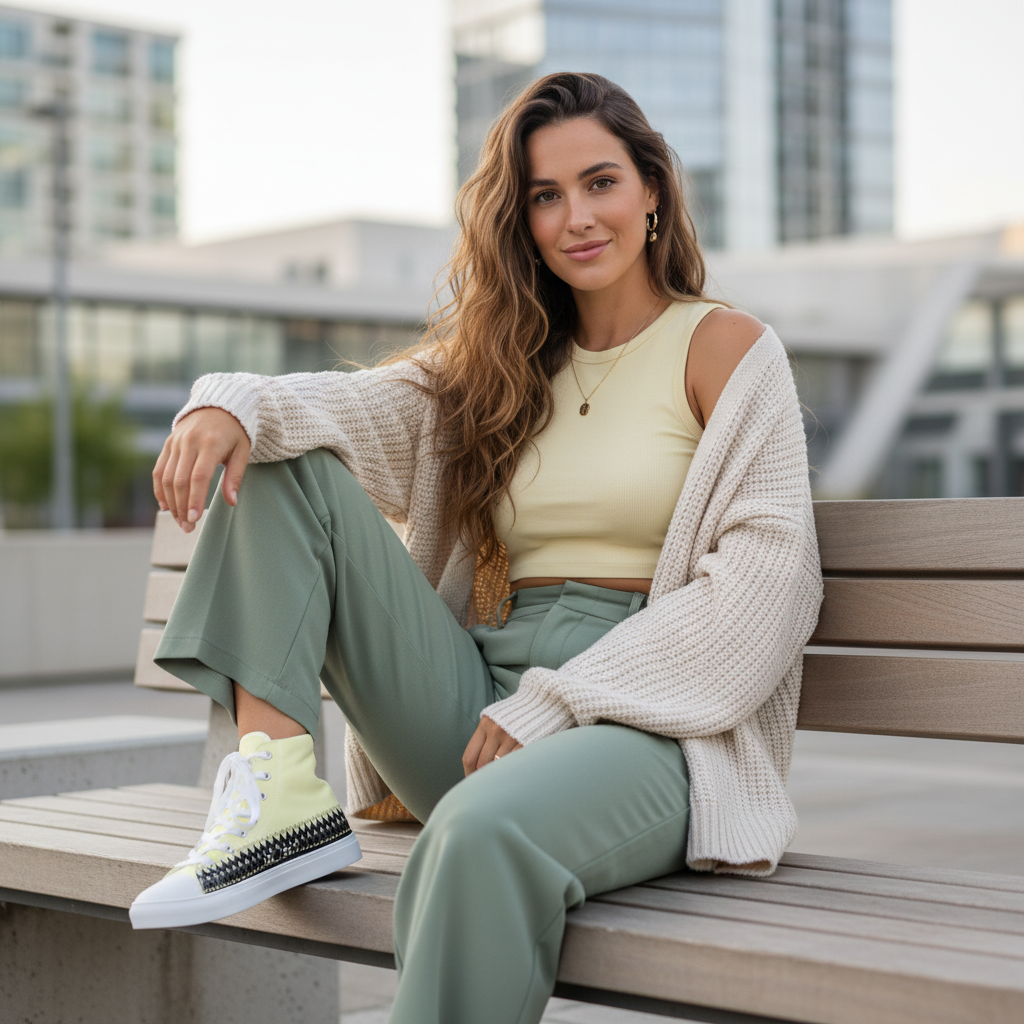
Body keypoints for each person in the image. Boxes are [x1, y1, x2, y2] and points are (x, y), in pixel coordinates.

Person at [128, 72, 822, 1024]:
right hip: (475, 698)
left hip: (653, 720)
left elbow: (765, 591)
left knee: (475, 834)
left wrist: (559, 701)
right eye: (545, 196)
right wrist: (228, 401)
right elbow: (350, 410)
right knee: (284, 458)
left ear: (652, 189)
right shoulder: (502, 363)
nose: (576, 216)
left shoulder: (726, 349)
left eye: (600, 182)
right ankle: (282, 797)